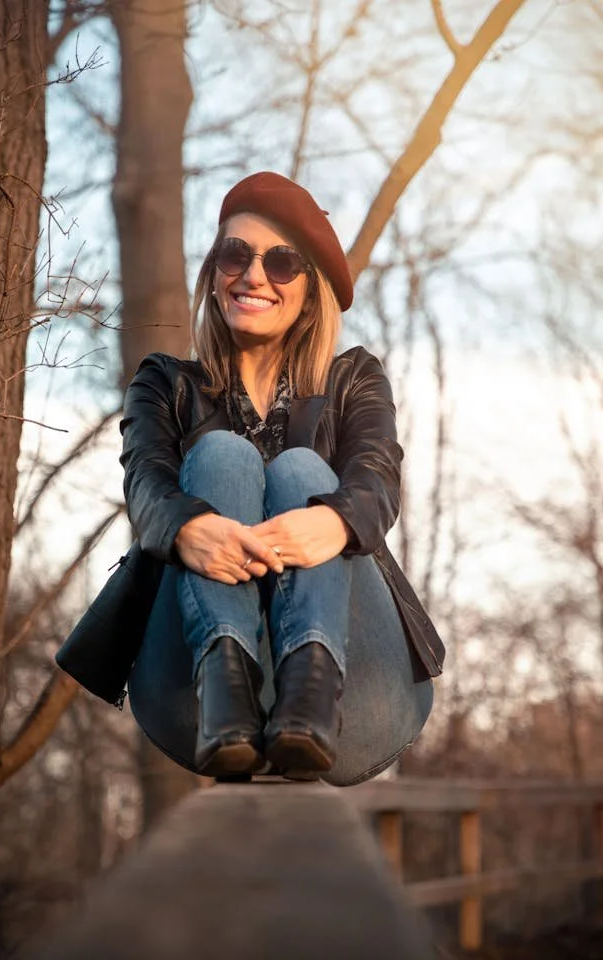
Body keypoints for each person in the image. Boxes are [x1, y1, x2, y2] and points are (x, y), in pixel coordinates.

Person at [120, 171, 445, 785]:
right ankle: (229, 686)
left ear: (311, 289)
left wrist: (331, 521)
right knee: (222, 456)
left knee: (300, 469)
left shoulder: (353, 379)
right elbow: (145, 482)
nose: (254, 275)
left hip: (356, 698)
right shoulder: (165, 383)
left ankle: (307, 694)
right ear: (214, 272)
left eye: (283, 262)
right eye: (235, 254)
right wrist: (187, 528)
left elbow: (378, 479)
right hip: (191, 696)